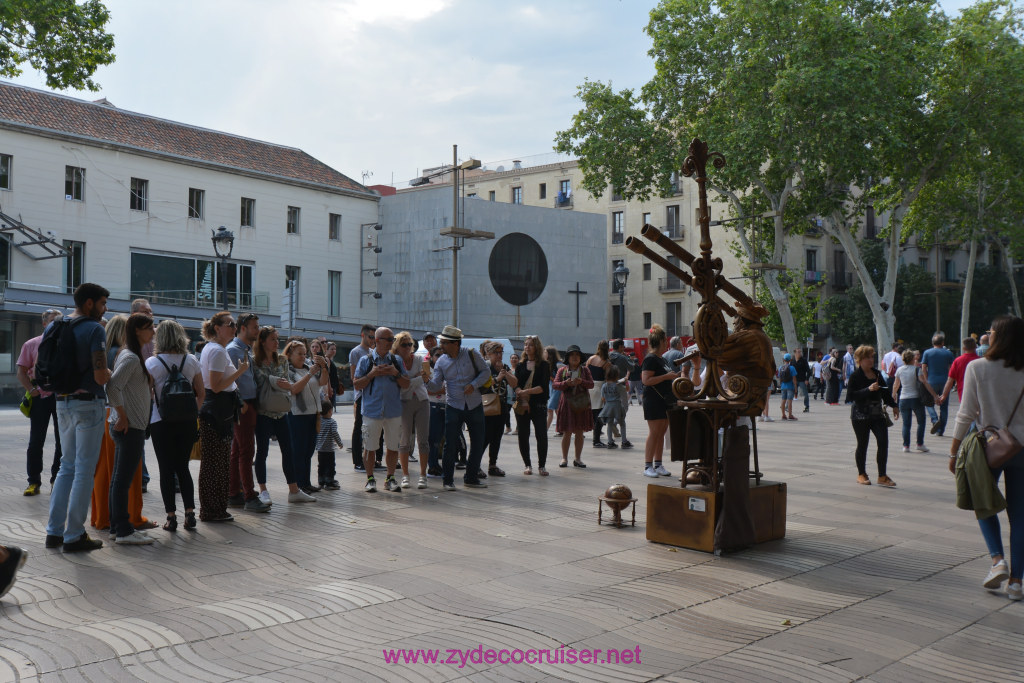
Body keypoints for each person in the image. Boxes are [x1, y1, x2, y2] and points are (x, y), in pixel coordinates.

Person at [950, 315, 1024, 601]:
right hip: (1022, 449)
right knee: (1020, 517)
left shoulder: (978, 368)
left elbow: (966, 413)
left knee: (983, 503)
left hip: (988, 448)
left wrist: (954, 451)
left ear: (997, 337)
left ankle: (998, 561)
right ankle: (1017, 582)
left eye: (991, 332)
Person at [44, 283, 111, 553]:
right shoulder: (95, 329)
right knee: (84, 469)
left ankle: (54, 531)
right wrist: (109, 374)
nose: (105, 308)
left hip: (62, 401)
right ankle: (74, 535)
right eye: (103, 303)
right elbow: (99, 374)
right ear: (89, 303)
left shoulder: (55, 325)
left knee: (66, 466)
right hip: (89, 403)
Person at [146, 320, 204, 531]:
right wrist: (192, 413)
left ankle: (171, 517)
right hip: (187, 422)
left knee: (165, 469)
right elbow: (201, 393)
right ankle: (190, 513)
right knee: (183, 467)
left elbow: (148, 395)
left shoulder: (152, 363)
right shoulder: (191, 361)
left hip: (160, 422)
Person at [105, 313, 156, 545]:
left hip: (131, 425)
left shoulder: (130, 355)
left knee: (119, 479)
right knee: (122, 480)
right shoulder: (131, 358)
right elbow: (113, 387)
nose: (153, 332)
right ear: (136, 330)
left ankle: (118, 527)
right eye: (149, 328)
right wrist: (123, 416)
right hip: (129, 427)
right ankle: (123, 530)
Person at [252, 326, 316, 504]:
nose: (276, 342)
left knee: (288, 451)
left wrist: (275, 383)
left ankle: (294, 491)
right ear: (263, 341)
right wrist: (277, 383)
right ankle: (263, 490)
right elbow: (264, 382)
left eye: (277, 338)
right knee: (262, 452)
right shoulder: (253, 361)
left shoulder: (282, 360)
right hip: (263, 413)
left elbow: (286, 384)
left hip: (281, 412)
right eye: (272, 339)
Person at [197, 312, 249, 522]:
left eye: (235, 324)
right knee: (215, 464)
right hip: (216, 412)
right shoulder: (217, 350)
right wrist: (240, 370)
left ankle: (215, 509)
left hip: (218, 411)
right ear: (217, 328)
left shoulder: (214, 348)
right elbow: (217, 386)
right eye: (230, 324)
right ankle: (212, 510)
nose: (234, 327)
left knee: (216, 463)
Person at [425, 325, 489, 490]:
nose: (441, 346)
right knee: (450, 444)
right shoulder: (441, 361)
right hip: (453, 405)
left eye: (444, 343)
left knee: (478, 442)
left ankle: (471, 478)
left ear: (455, 343)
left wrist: (474, 384)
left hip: (474, 404)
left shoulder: (471, 354)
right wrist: (425, 380)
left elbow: (486, 372)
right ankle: (448, 481)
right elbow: (434, 386)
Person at [354, 327, 411, 493]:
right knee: (370, 447)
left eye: (392, 340)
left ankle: (390, 478)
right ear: (377, 341)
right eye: (389, 339)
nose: (392, 343)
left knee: (393, 446)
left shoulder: (397, 361)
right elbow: (357, 384)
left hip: (393, 411)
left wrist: (395, 373)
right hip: (372, 411)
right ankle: (370, 479)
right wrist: (371, 374)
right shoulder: (366, 360)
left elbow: (406, 384)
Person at [226, 313, 270, 513]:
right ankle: (250, 496)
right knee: (246, 451)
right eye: (254, 327)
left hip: (247, 405)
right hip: (242, 406)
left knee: (238, 451)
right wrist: (241, 402)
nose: (257, 330)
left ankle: (234, 493)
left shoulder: (243, 350)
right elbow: (230, 379)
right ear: (242, 328)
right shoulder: (234, 350)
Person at [17, 308, 64, 496]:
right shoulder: (32, 344)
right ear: (44, 323)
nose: (56, 324)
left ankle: (56, 480)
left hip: (60, 396)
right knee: (36, 440)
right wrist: (32, 390)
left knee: (62, 441)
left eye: (59, 321)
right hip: (40, 397)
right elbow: (21, 371)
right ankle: (33, 481)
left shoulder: (65, 344)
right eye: (53, 321)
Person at [846, 344, 899, 487]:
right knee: (862, 444)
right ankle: (861, 474)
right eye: (868, 357)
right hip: (860, 414)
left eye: (872, 357)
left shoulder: (876, 373)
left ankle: (882, 476)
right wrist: (867, 389)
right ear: (860, 360)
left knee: (883, 442)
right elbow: (850, 396)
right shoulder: (855, 376)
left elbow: (885, 392)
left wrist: (894, 405)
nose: (871, 360)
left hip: (876, 412)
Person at [285, 339, 330, 494]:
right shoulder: (287, 370)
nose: (303, 357)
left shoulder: (309, 367)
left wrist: (324, 367)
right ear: (290, 354)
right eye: (299, 354)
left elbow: (322, 382)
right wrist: (311, 373)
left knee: (309, 450)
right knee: (298, 451)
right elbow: (294, 389)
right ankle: (298, 485)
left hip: (313, 413)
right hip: (296, 414)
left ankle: (306, 482)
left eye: (305, 353)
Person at [642, 324, 679, 478]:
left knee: (661, 432)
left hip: (664, 399)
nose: (666, 343)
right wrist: (666, 377)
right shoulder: (650, 359)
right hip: (653, 400)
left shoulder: (661, 358)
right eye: (665, 341)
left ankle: (658, 464)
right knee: (654, 432)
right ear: (660, 342)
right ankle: (648, 465)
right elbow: (646, 380)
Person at [396, 330, 430, 488]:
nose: (408, 347)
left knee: (423, 440)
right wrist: (415, 378)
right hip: (404, 402)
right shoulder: (395, 361)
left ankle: (423, 475)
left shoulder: (419, 358)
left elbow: (426, 378)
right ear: (397, 346)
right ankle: (405, 475)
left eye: (410, 344)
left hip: (422, 400)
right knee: (404, 441)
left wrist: (410, 379)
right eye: (404, 345)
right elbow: (402, 387)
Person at [514, 335, 551, 475]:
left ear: (536, 347)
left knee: (541, 435)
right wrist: (522, 397)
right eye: (525, 344)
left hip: (538, 404)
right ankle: (527, 465)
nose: (527, 347)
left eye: (530, 344)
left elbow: (543, 387)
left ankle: (542, 466)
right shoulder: (520, 365)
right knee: (523, 435)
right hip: (522, 405)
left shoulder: (544, 365)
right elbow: (515, 385)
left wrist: (526, 391)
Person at [554, 345, 595, 468]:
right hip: (567, 404)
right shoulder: (562, 370)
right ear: (568, 357)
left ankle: (578, 459)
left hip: (581, 404)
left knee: (579, 431)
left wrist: (581, 381)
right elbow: (555, 385)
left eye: (577, 355)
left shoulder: (585, 370)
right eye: (572, 355)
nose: (575, 357)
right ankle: (564, 458)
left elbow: (591, 384)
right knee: (567, 432)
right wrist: (566, 383)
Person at [892, 349, 937, 453]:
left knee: (906, 424)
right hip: (916, 399)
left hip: (903, 399)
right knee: (921, 422)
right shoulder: (917, 370)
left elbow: (896, 384)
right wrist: (934, 395)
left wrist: (893, 395)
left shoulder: (899, 370)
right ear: (913, 359)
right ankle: (920, 444)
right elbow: (925, 383)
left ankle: (906, 446)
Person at [482, 340, 515, 478]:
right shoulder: (485, 367)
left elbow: (514, 383)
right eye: (496, 353)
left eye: (501, 352)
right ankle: (475, 465)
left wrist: (505, 374)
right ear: (488, 354)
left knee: (497, 437)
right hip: (487, 406)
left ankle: (492, 465)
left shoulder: (504, 367)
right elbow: (482, 385)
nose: (499, 355)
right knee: (485, 438)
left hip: (501, 407)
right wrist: (497, 378)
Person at [349, 324, 376, 472]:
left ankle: (373, 460)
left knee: (373, 427)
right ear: (363, 335)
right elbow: (354, 377)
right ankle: (357, 461)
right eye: (370, 337)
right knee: (359, 427)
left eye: (374, 337)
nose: (372, 340)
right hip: (361, 395)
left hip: (373, 395)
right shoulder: (356, 352)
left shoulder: (373, 351)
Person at [921, 333, 955, 436]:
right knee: (944, 406)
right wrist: (952, 381)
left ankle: (934, 419)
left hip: (932, 381)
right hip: (945, 382)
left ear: (932, 343)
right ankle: (941, 430)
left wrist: (926, 379)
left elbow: (923, 367)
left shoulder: (927, 353)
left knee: (928, 403)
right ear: (943, 342)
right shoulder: (948, 353)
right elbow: (951, 369)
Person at [941, 337, 981, 405]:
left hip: (963, 393)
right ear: (975, 347)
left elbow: (950, 380)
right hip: (979, 394)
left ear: (964, 348)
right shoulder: (980, 361)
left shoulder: (958, 361)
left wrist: (943, 396)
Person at [426, 346, 446, 478]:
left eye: (443, 355)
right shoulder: (428, 371)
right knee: (432, 439)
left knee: (439, 439)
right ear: (432, 357)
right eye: (437, 355)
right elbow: (426, 390)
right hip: (432, 406)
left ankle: (436, 465)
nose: (440, 357)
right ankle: (431, 466)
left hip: (445, 406)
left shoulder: (447, 369)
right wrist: (441, 391)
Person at [586, 340, 611, 448]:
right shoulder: (606, 362)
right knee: (600, 415)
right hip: (600, 388)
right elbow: (608, 378)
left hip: (589, 387)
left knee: (592, 412)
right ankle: (596, 440)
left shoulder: (591, 359)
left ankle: (593, 436)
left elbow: (585, 372)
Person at [315, 400, 344, 490]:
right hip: (329, 450)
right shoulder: (332, 422)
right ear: (330, 411)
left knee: (321, 465)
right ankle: (329, 482)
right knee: (330, 465)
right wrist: (340, 443)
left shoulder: (319, 421)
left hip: (320, 449)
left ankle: (321, 481)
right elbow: (335, 433)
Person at [600, 365, 629, 449]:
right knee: (622, 423)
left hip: (608, 406)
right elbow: (627, 389)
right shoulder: (618, 386)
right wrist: (626, 381)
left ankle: (610, 442)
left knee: (610, 424)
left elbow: (603, 398)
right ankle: (624, 441)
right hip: (617, 405)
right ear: (617, 375)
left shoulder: (604, 386)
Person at [545, 345, 563, 435]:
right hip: (552, 389)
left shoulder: (558, 364)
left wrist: (551, 378)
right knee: (556, 410)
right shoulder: (547, 364)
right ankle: (561, 429)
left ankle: (545, 430)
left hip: (557, 390)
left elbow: (563, 376)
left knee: (550, 409)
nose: (544, 354)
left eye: (545, 352)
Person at [777, 353, 798, 421]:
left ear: (783, 360)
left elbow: (779, 377)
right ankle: (790, 415)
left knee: (783, 400)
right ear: (790, 360)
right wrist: (795, 387)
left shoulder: (781, 368)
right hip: (790, 386)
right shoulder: (792, 368)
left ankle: (783, 415)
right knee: (789, 401)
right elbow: (794, 379)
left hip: (783, 386)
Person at [792, 347, 811, 413]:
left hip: (802, 380)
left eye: (800, 352)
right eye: (798, 352)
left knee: (805, 394)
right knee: (791, 393)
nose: (800, 353)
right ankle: (787, 406)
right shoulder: (792, 361)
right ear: (795, 353)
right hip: (794, 380)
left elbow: (808, 371)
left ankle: (807, 406)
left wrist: (807, 379)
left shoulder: (803, 360)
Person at [505, 352, 520, 434]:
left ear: (518, 360)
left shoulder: (520, 370)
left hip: (516, 396)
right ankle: (508, 427)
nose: (513, 359)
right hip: (508, 395)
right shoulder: (508, 370)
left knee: (517, 412)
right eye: (512, 358)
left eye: (515, 358)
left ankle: (518, 429)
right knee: (506, 412)